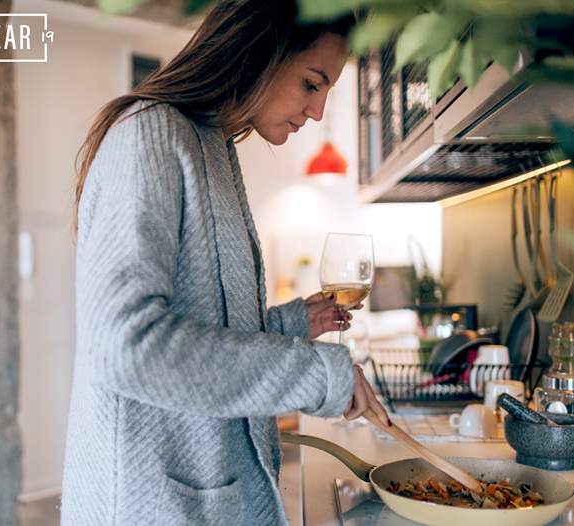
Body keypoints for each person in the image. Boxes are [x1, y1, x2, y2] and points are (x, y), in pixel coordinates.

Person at [61, 1, 390, 524]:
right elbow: (127, 345)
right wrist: (316, 375)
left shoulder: (211, 144)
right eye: (312, 84)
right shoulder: (150, 135)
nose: (319, 111)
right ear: (258, 54)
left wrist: (289, 323)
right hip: (153, 505)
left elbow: (203, 323)